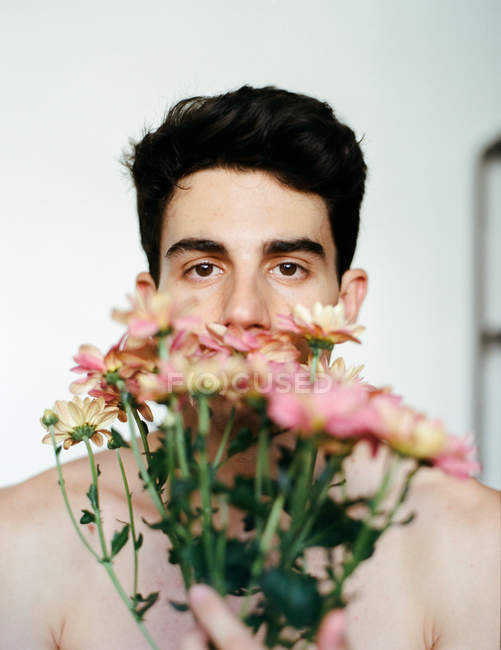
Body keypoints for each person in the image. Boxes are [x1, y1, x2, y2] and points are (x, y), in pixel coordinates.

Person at [1, 85, 499, 649]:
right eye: (203, 267)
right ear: (150, 307)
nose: (244, 311)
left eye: (288, 267)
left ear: (345, 303)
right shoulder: (19, 543)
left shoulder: (478, 545)